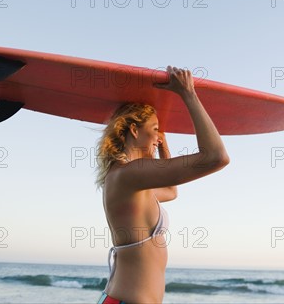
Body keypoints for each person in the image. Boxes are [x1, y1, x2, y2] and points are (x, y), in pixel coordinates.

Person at [95, 66, 230, 304]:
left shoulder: (129, 179)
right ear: (134, 130)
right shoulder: (128, 175)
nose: (158, 136)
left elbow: (170, 191)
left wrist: (161, 143)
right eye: (155, 130)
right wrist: (188, 93)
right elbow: (216, 157)